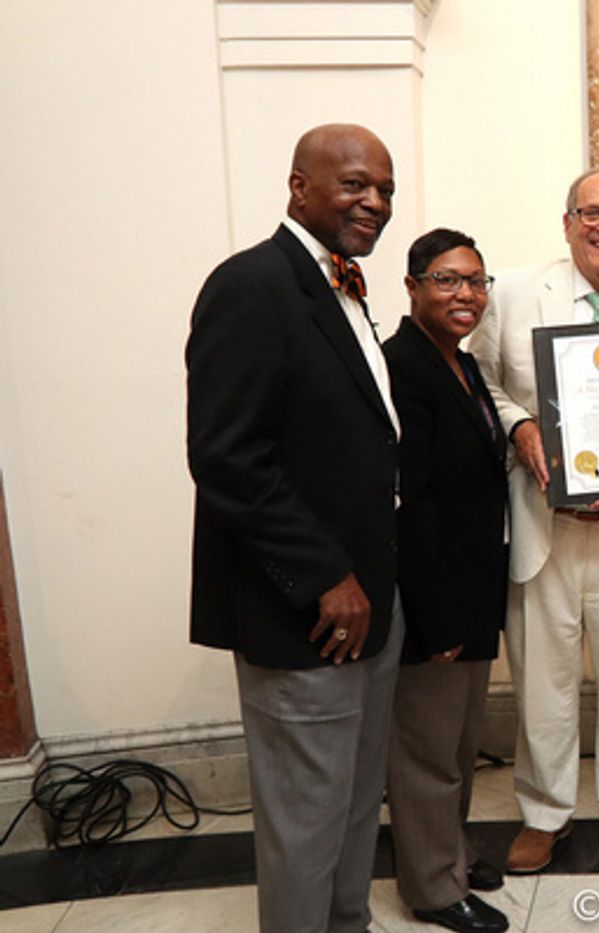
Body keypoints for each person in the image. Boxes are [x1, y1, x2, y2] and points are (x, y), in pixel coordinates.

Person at [186, 123, 402, 933]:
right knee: (305, 817)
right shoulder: (251, 285)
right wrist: (322, 574)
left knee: (351, 799)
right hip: (308, 609)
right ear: (298, 187)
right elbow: (226, 456)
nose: (373, 202)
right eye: (353, 185)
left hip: (371, 599)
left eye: (383, 188)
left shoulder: (344, 287)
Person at [470, 168, 599, 873]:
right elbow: (481, 382)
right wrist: (522, 426)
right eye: (592, 213)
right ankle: (544, 811)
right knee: (543, 682)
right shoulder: (512, 294)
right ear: (568, 222)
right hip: (544, 527)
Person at [383, 228, 510, 933]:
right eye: (447, 280)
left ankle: (451, 852)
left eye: (476, 281)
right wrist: (434, 616)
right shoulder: (404, 366)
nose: (466, 294)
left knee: (460, 743)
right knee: (428, 749)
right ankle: (432, 886)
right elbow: (413, 501)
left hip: (474, 587)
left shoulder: (459, 363)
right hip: (436, 597)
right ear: (412, 287)